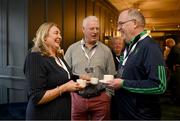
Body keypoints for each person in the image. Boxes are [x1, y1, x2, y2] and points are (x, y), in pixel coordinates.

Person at [106, 8, 167, 120]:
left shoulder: (150, 47)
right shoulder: (129, 47)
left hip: (141, 116)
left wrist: (123, 84)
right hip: (125, 113)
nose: (118, 28)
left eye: (121, 23)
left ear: (134, 23)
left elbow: (159, 85)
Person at [23, 22, 83, 120]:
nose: (60, 37)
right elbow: (36, 97)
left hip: (61, 114)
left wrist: (80, 78)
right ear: (44, 37)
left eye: (60, 34)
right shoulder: (34, 57)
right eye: (56, 33)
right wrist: (63, 88)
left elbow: (64, 77)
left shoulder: (58, 57)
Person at [64, 16, 116, 120]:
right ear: (83, 29)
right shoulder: (72, 49)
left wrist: (108, 95)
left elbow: (111, 75)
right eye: (91, 28)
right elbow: (65, 74)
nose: (95, 31)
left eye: (97, 28)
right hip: (77, 98)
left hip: (100, 98)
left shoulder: (106, 51)